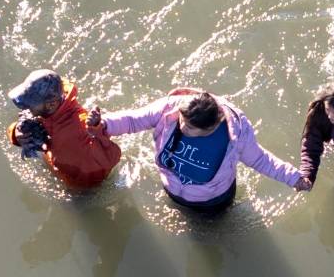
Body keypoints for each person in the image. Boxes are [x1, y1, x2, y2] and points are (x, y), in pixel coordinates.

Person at [97, 89, 310, 211]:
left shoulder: (235, 134)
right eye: (182, 121)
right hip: (172, 190)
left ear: (211, 127)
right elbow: (134, 119)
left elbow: (261, 160)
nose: (181, 127)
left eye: (190, 128)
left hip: (213, 201)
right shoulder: (172, 108)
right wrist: (102, 124)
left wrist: (294, 178)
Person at [6, 69, 122, 189]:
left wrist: (97, 129)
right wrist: (16, 134)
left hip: (86, 189)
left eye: (30, 103)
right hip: (58, 167)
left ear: (51, 104)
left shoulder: (80, 128)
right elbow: (22, 124)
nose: (26, 108)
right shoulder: (46, 111)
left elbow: (112, 157)